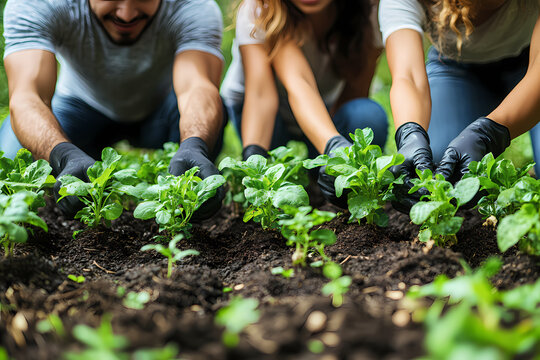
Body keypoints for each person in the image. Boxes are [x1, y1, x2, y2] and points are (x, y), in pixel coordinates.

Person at [0, 0, 226, 218]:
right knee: (13, 161)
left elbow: (197, 86)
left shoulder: (193, 6)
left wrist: (195, 144)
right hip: (80, 107)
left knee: (205, 131)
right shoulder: (40, 3)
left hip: (161, 111)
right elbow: (28, 97)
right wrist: (60, 154)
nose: (126, 14)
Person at [221, 0, 388, 205]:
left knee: (367, 116)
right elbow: (269, 93)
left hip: (323, 108)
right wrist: (254, 157)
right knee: (268, 167)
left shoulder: (371, 12)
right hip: (264, 115)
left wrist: (335, 149)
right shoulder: (261, 8)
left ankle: (322, 174)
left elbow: (355, 91)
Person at [379, 0, 540, 206]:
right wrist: (410, 133)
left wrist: (488, 135)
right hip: (456, 67)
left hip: (530, 62)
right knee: (441, 165)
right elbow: (407, 76)